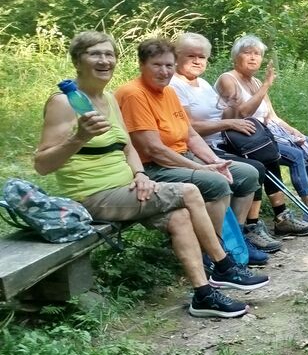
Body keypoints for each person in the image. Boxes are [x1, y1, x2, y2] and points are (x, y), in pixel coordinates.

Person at [34, 31, 266, 319]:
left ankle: (204, 295)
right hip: (91, 195)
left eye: (109, 54)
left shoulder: (108, 98)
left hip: (130, 187)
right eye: (95, 54)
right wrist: (78, 138)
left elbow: (128, 147)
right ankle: (224, 265)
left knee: (179, 216)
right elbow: (42, 165)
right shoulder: (64, 103)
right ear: (77, 61)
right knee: (189, 192)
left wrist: (140, 174)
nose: (104, 60)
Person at [114, 38, 272, 265]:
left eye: (168, 65)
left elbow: (191, 135)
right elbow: (154, 149)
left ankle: (236, 240)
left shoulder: (168, 92)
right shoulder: (134, 94)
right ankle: (214, 253)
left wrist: (215, 161)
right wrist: (201, 168)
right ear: (142, 65)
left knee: (247, 174)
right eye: (157, 65)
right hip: (152, 167)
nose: (164, 71)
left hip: (182, 157)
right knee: (216, 183)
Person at [169, 32, 308, 245]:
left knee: (268, 153)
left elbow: (228, 115)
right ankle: (250, 227)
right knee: (256, 165)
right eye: (191, 56)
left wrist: (231, 107)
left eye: (202, 57)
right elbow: (189, 129)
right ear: (176, 56)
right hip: (206, 146)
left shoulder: (202, 84)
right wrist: (230, 122)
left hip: (226, 140)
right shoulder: (175, 85)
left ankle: (281, 216)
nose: (197, 61)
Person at [215, 35, 308, 230]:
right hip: (245, 140)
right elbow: (243, 113)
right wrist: (266, 85)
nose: (253, 57)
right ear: (235, 56)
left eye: (257, 54)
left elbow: (271, 116)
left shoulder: (256, 82)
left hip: (264, 135)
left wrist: (294, 132)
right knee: (295, 155)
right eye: (247, 53)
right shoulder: (228, 79)